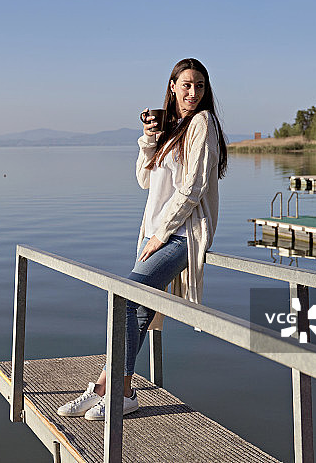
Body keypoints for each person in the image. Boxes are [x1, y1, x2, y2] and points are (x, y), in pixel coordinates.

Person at [57, 57, 228, 421]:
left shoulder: (202, 123)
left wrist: (162, 234)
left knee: (125, 296)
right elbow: (145, 180)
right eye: (186, 85)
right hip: (154, 234)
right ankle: (116, 390)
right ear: (172, 87)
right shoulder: (175, 126)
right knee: (136, 312)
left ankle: (112, 389)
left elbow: (193, 188)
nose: (193, 92)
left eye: (199, 85)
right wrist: (150, 140)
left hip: (180, 235)